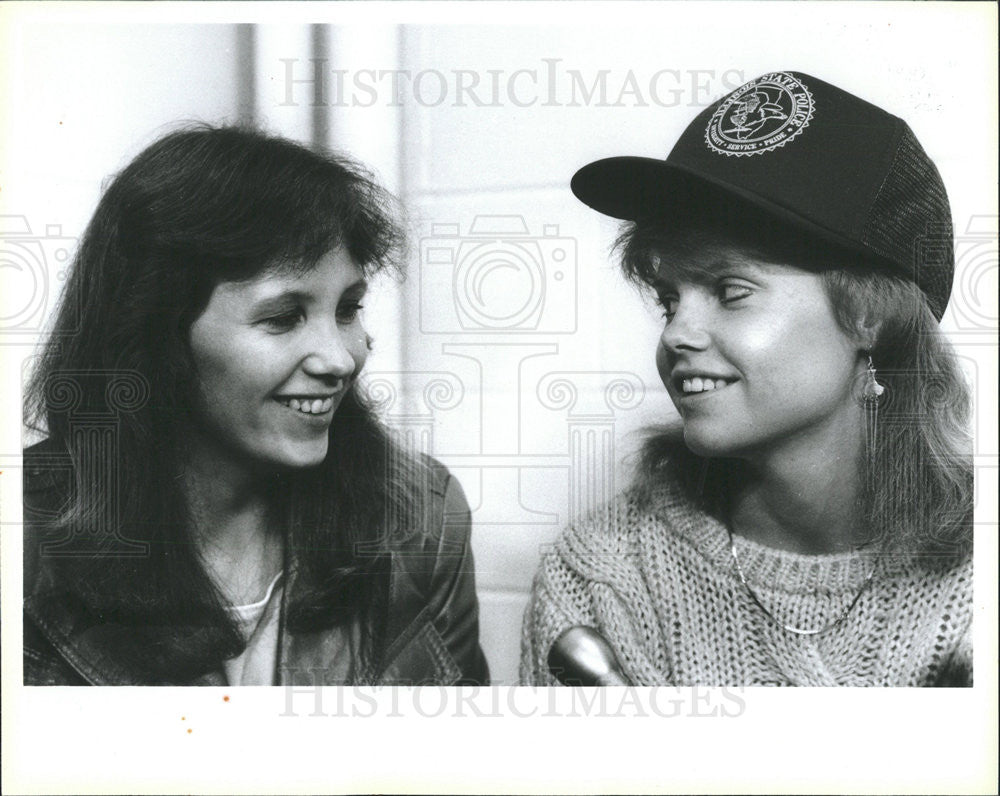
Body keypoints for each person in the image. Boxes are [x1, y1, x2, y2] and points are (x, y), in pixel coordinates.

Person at [521, 71, 973, 686]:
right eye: (668, 298)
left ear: (869, 317)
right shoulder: (604, 579)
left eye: (730, 291)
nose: (678, 332)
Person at [23, 124, 488, 686]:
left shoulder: (422, 524)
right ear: (155, 335)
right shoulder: (22, 541)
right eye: (284, 317)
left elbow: (453, 769)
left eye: (348, 309)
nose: (341, 359)